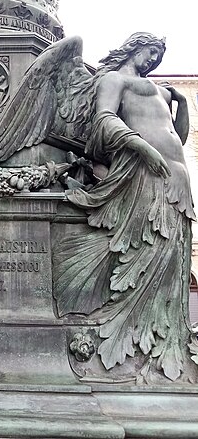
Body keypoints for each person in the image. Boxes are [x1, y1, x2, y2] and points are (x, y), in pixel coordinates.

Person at [53, 32, 197, 381]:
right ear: (135, 47)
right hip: (143, 170)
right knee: (150, 250)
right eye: (150, 52)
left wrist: (182, 104)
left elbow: (178, 137)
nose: (152, 60)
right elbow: (104, 119)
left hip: (175, 176)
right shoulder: (114, 79)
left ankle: (166, 335)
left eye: (158, 56)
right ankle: (131, 338)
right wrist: (141, 147)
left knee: (174, 255)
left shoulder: (161, 90)